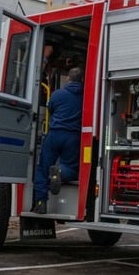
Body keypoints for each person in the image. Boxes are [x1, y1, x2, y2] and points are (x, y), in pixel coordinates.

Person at [32, 66, 83, 213]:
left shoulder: (57, 94)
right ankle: (60, 172)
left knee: (43, 168)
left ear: (68, 78)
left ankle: (41, 202)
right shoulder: (85, 96)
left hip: (54, 134)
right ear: (82, 80)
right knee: (72, 168)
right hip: (73, 137)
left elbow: (51, 110)